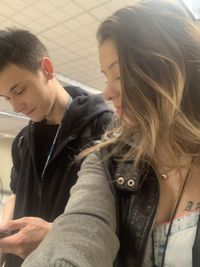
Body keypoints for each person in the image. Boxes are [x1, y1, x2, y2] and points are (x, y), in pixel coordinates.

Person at [21, 0, 200, 266]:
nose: (107, 92)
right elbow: (82, 224)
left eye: (118, 76)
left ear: (170, 68)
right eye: (106, 78)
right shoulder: (111, 157)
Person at [0, 29, 113, 267]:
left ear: (47, 69)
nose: (17, 106)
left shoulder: (104, 130)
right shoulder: (22, 141)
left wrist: (55, 233)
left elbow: (121, 219)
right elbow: (16, 193)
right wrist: (4, 236)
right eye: (6, 98)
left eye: (19, 91)